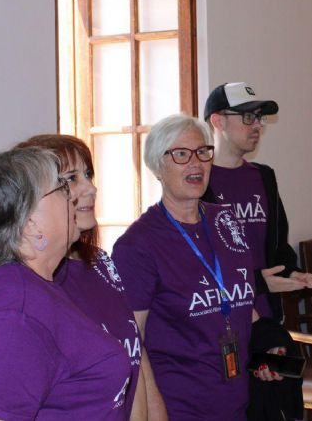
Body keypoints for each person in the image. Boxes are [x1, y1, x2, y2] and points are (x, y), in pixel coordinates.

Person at [0, 148, 132, 420]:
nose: (75, 194)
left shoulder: (17, 287)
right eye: (62, 187)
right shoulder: (16, 310)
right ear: (30, 224)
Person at [112, 114, 277, 420]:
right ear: (156, 166)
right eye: (181, 154)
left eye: (203, 151)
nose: (196, 162)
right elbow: (133, 341)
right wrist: (151, 411)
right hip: (180, 404)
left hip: (238, 396)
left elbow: (240, 301)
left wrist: (269, 348)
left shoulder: (226, 221)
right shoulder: (137, 245)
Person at [202, 82, 312, 420]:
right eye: (248, 117)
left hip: (267, 324)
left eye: (259, 117)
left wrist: (293, 273)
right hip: (224, 329)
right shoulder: (198, 181)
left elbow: (277, 247)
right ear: (217, 121)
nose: (258, 125)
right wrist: (258, 283)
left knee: (277, 407)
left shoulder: (264, 177)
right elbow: (198, 265)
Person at [15, 134, 158, 420]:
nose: (91, 188)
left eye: (88, 174)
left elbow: (136, 358)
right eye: (71, 179)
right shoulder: (26, 285)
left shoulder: (102, 262)